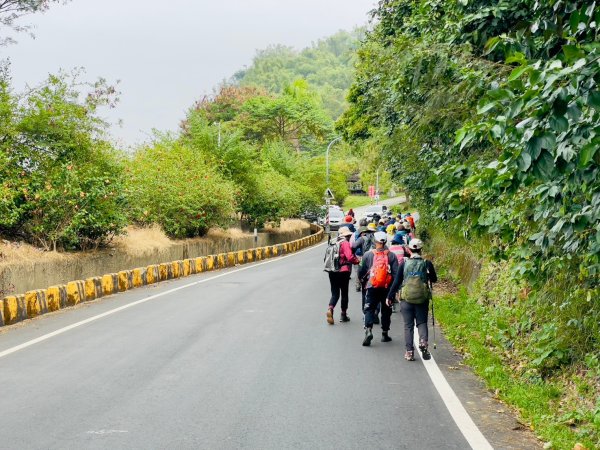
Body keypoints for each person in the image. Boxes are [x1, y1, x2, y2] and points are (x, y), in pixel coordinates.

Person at [387, 238, 437, 361]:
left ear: (408, 249)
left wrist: (389, 296)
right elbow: (434, 279)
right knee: (422, 322)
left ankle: (409, 352)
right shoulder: (427, 263)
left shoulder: (404, 264)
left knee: (408, 326)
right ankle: (423, 342)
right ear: (421, 250)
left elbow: (397, 281)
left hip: (406, 299)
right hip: (422, 298)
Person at [358, 231, 400, 346]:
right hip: (387, 288)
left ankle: (368, 330)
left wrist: (363, 282)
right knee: (386, 310)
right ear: (385, 242)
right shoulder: (392, 256)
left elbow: (360, 271)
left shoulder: (367, 255)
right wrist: (394, 290)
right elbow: (396, 274)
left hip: (372, 286)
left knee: (369, 308)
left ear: (374, 241)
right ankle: (385, 334)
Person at [326, 226, 359, 324]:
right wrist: (357, 261)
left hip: (332, 271)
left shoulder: (332, 242)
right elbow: (349, 257)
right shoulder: (345, 243)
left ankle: (330, 308)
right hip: (343, 271)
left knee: (335, 293)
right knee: (344, 293)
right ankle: (343, 314)